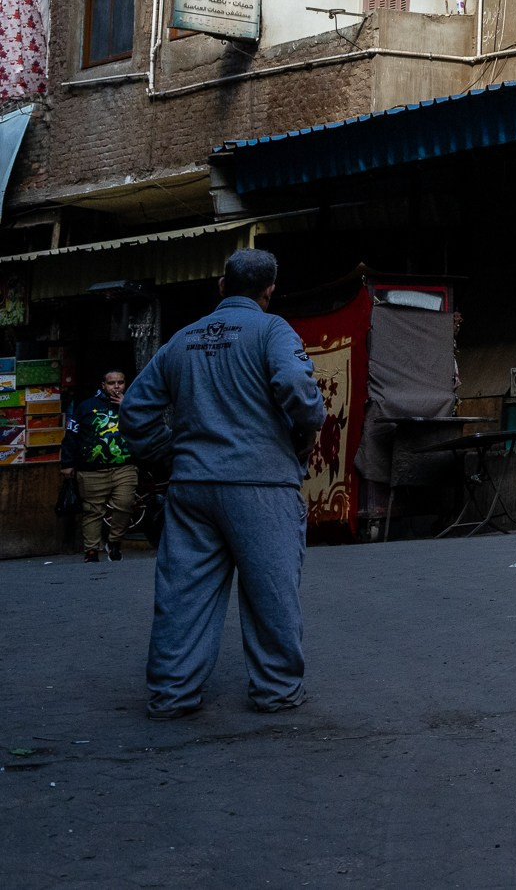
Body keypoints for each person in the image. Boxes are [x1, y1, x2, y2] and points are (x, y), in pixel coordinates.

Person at [121, 249, 326, 720]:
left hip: (192, 487)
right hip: (261, 485)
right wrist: (309, 429)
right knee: (272, 593)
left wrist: (168, 453)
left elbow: (135, 412)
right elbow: (296, 382)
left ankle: (172, 694)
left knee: (183, 596)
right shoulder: (272, 330)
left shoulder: (182, 340)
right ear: (269, 292)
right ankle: (276, 691)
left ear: (220, 285)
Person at [62, 368, 137, 562]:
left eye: (120, 382)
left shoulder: (133, 404)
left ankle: (114, 541)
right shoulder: (85, 406)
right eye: (112, 383)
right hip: (91, 469)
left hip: (124, 466)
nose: (117, 386)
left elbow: (145, 426)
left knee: (125, 504)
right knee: (93, 510)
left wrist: (126, 406)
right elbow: (71, 435)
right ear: (103, 386)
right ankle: (91, 550)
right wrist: (67, 463)